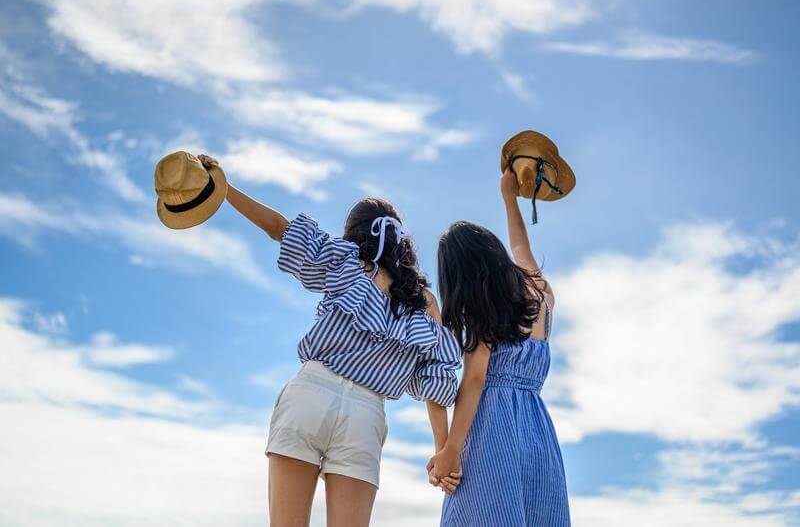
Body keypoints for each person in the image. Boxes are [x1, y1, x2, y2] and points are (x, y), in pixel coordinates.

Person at [194, 155, 462, 527]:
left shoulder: (347, 262)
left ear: (355, 235)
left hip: (310, 394)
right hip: (366, 416)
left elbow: (279, 228)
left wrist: (224, 190)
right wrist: (444, 450)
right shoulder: (422, 301)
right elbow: (437, 382)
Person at [428, 166, 570, 526]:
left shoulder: (484, 305)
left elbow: (474, 380)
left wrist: (451, 452)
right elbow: (521, 246)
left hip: (493, 429)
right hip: (537, 431)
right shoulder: (539, 292)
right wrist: (509, 198)